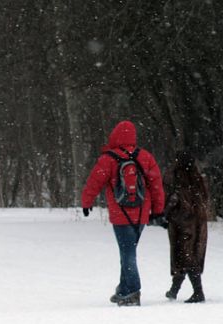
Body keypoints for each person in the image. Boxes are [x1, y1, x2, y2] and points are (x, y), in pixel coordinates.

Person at [80, 120, 165, 306]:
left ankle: (133, 291)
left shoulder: (109, 158)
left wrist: (86, 202)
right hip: (142, 213)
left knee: (127, 252)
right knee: (129, 250)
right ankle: (124, 289)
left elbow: (94, 181)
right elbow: (156, 185)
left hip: (121, 214)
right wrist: (158, 210)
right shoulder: (145, 157)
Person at [163, 151, 209, 303]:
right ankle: (174, 290)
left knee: (184, 256)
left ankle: (198, 292)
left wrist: (166, 214)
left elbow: (172, 198)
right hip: (199, 222)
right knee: (189, 255)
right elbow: (204, 198)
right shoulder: (198, 178)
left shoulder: (175, 177)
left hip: (182, 222)